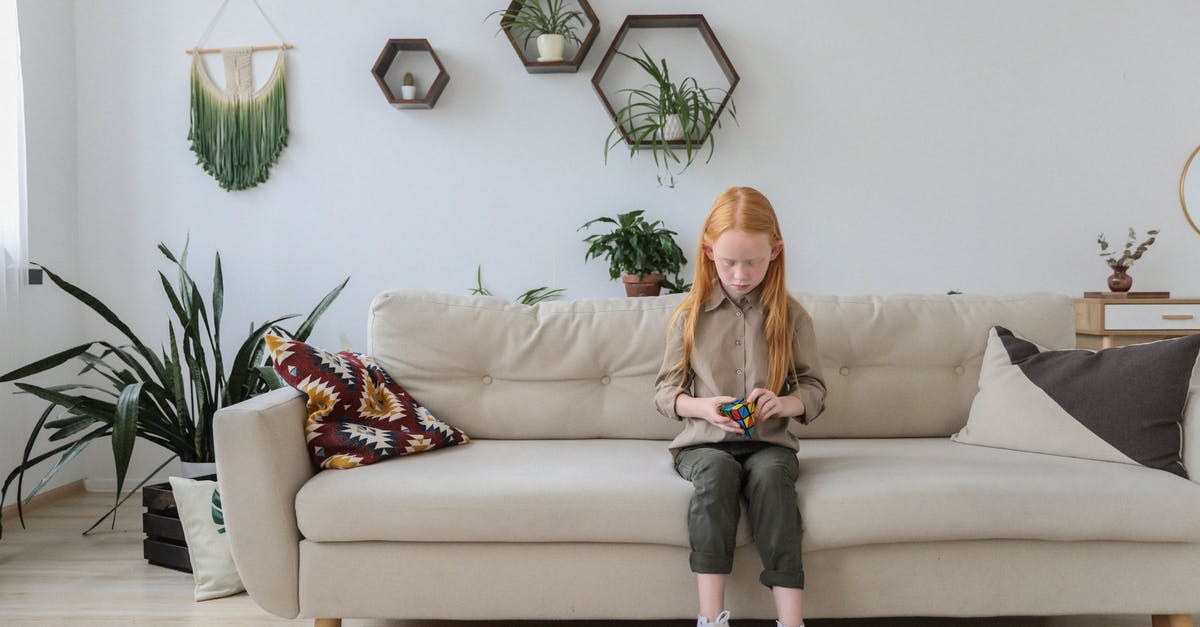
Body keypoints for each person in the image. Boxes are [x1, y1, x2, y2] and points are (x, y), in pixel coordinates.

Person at [654, 186, 827, 627]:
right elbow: (665, 392)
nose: (739, 273)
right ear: (709, 252)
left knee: (771, 479)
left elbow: (813, 389)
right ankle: (711, 618)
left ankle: (791, 621)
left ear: (776, 252)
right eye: (728, 261)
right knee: (716, 474)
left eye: (751, 261)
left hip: (769, 444)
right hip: (704, 444)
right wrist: (702, 407)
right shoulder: (688, 317)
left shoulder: (793, 318)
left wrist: (783, 402)